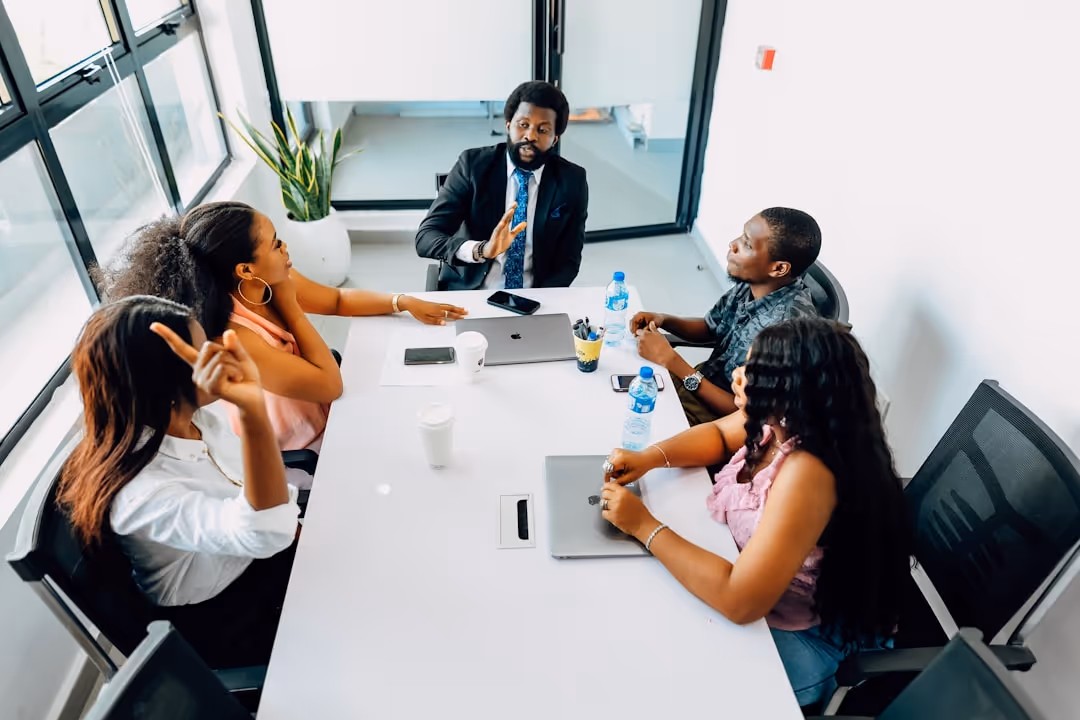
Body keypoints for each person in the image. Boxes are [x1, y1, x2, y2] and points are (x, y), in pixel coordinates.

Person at [600, 318, 911, 709]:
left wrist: (644, 526)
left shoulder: (807, 471)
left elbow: (740, 601)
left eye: (753, 371)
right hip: (752, 586)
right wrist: (650, 457)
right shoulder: (778, 422)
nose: (738, 375)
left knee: (661, 684)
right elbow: (716, 436)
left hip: (801, 635)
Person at [101, 202, 466, 480]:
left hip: (333, 417)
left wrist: (401, 301)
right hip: (301, 453)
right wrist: (291, 309)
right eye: (275, 243)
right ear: (245, 269)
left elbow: (337, 300)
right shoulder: (236, 336)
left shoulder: (266, 282)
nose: (284, 246)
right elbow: (329, 385)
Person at [57, 296, 301, 669]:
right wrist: (252, 411)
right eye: (202, 349)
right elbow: (264, 534)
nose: (218, 353)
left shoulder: (196, 419)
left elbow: (249, 494)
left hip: (260, 563)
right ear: (166, 381)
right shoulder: (140, 492)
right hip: (231, 620)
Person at [631, 208, 822, 426]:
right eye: (742, 235)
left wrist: (672, 361)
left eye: (747, 244)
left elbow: (745, 412)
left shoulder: (786, 330)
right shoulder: (753, 282)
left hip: (717, 420)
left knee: (634, 424)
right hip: (701, 381)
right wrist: (665, 319)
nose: (733, 244)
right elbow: (710, 328)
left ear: (778, 268)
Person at [415, 81, 589, 291]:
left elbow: (568, 261)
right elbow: (426, 237)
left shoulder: (572, 180)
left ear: (555, 139)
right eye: (523, 124)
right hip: (472, 292)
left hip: (536, 297)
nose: (530, 136)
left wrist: (542, 301)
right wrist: (482, 250)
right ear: (508, 125)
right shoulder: (473, 166)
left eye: (543, 130)